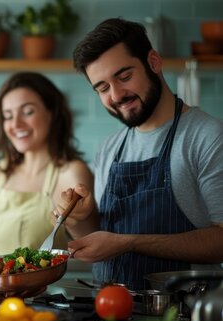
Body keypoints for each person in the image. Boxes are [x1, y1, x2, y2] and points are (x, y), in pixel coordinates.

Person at [57, 18, 223, 290]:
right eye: (102, 88)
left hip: (184, 317)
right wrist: (80, 219)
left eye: (124, 77)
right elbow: (97, 244)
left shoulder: (207, 136)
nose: (117, 94)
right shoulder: (110, 148)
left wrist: (130, 242)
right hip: (112, 318)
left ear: (154, 62)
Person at [0, 72, 93, 255]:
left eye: (27, 112)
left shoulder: (71, 173)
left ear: (52, 113)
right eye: (8, 116)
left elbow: (91, 243)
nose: (16, 124)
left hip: (48, 285)